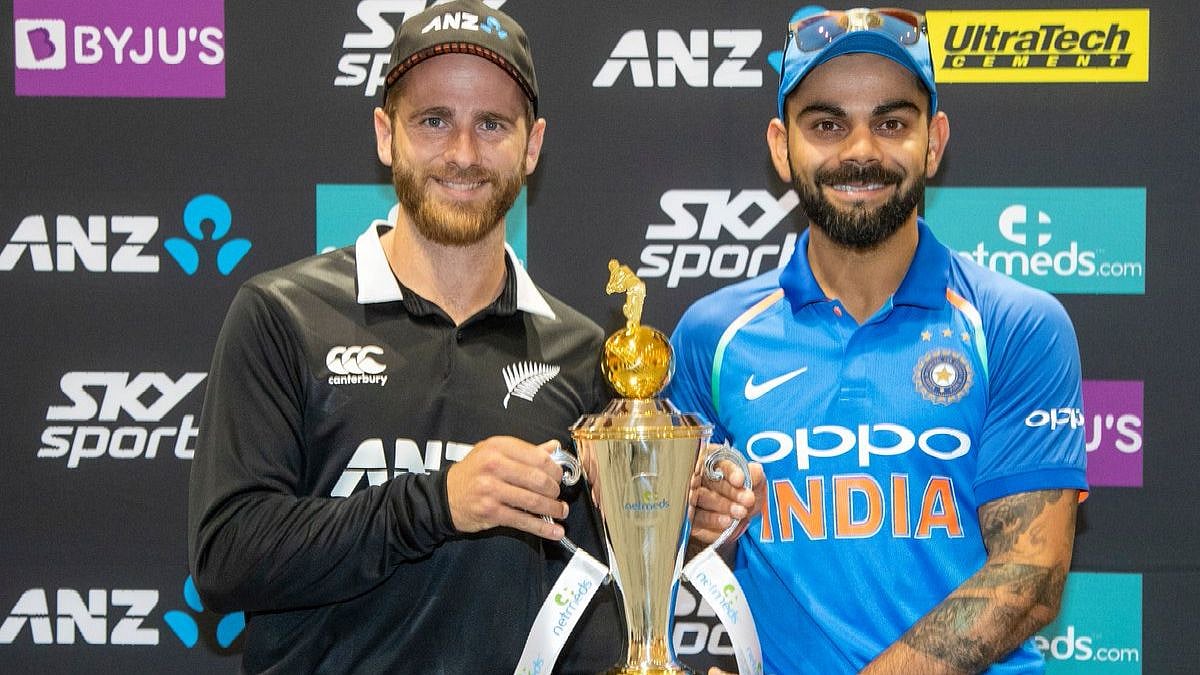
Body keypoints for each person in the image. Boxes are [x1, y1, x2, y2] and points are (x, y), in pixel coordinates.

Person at [187, 1, 621, 671]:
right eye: (433, 120)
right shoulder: (282, 314)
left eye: (493, 125)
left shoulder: (585, 353)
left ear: (531, 146)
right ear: (387, 135)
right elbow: (228, 555)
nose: (463, 153)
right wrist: (438, 501)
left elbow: (594, 598)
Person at [673, 7, 1088, 674]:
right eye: (827, 124)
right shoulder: (711, 335)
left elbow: (1030, 575)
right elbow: (654, 525)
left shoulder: (1017, 322)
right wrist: (693, 501)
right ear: (782, 146)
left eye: (891, 122)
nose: (860, 151)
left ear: (934, 140)